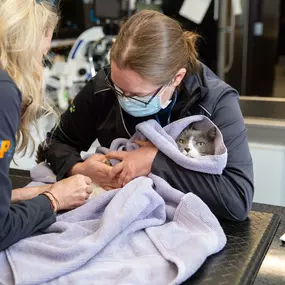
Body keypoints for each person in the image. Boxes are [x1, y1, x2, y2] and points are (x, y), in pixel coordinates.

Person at [40, 10, 254, 222]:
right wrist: (77, 167)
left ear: (176, 78)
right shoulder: (104, 87)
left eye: (137, 95)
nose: (124, 99)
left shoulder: (215, 102)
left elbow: (237, 199)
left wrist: (156, 163)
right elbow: (55, 142)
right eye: (119, 89)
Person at [0, 0, 94, 251]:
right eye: (43, 54)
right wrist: (53, 199)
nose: (42, 64)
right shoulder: (4, 93)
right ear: (26, 48)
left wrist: (18, 196)